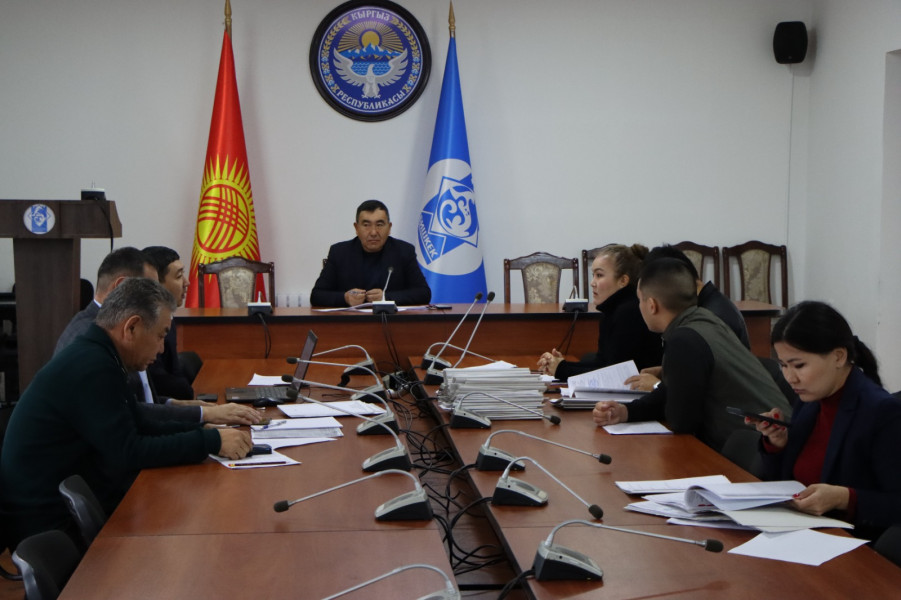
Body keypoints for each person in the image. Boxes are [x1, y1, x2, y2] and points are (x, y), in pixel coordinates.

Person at [0, 278, 252, 548]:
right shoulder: (91, 366)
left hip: (68, 505)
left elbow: (139, 423)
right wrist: (210, 442)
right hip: (50, 526)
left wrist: (205, 432)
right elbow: (129, 452)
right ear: (131, 327)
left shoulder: (99, 354)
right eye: (160, 335)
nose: (162, 348)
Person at [592, 258, 790, 452]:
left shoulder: (684, 340)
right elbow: (671, 392)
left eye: (640, 300)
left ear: (652, 305)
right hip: (774, 437)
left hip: (759, 448)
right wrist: (626, 412)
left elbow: (681, 420)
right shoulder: (705, 319)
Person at [54, 247, 259, 426]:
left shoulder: (120, 327)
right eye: (150, 289)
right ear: (120, 287)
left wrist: (184, 406)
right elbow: (127, 416)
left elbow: (140, 401)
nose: (157, 297)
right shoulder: (94, 336)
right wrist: (203, 420)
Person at [752, 301, 901, 540]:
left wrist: (845, 498)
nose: (790, 377)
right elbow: (784, 483)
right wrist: (777, 445)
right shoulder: (810, 400)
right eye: (783, 365)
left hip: (849, 545)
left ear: (838, 356)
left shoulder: (882, 412)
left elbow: (895, 504)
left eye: (799, 365)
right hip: (796, 530)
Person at [624, 244, 751, 392]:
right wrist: (666, 372)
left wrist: (657, 385)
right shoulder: (706, 304)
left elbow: (710, 389)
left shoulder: (711, 316)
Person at [537, 243, 661, 380]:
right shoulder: (613, 309)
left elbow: (613, 376)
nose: (592, 283)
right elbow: (601, 364)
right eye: (593, 275)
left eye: (599, 275)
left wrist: (562, 369)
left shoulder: (628, 313)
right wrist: (561, 364)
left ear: (623, 280)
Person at [310, 199, 431, 307]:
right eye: (366, 225)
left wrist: (385, 297)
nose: (373, 232)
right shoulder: (339, 253)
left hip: (391, 321)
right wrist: (345, 298)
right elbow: (317, 295)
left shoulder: (404, 251)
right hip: (351, 322)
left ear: (389, 228)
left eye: (379, 225)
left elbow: (423, 293)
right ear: (356, 228)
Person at [143, 245, 194, 400]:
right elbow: (160, 382)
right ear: (156, 284)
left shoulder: (168, 317)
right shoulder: (146, 324)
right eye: (179, 276)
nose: (187, 283)